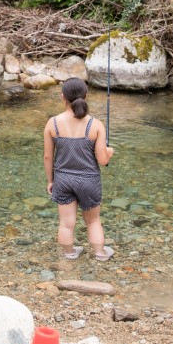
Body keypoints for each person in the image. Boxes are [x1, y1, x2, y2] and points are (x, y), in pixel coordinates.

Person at [43, 77, 115, 260]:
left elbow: (48, 157)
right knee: (93, 221)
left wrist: (51, 180)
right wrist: (109, 152)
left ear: (62, 97)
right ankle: (99, 253)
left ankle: (69, 253)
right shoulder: (96, 125)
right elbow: (102, 160)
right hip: (88, 180)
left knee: (66, 224)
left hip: (63, 180)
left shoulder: (52, 123)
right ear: (86, 96)